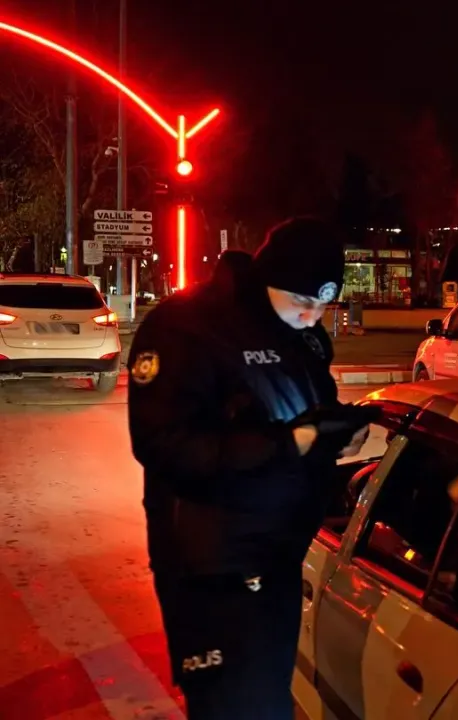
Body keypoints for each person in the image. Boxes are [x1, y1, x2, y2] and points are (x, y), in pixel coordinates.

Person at [127, 217, 378, 719]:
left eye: (323, 305)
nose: (311, 315)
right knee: (235, 707)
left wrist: (333, 434)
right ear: (269, 278)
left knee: (267, 700)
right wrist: (288, 443)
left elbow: (309, 412)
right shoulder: (186, 327)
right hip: (211, 568)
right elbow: (163, 443)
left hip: (276, 556)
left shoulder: (301, 335)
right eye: (302, 301)